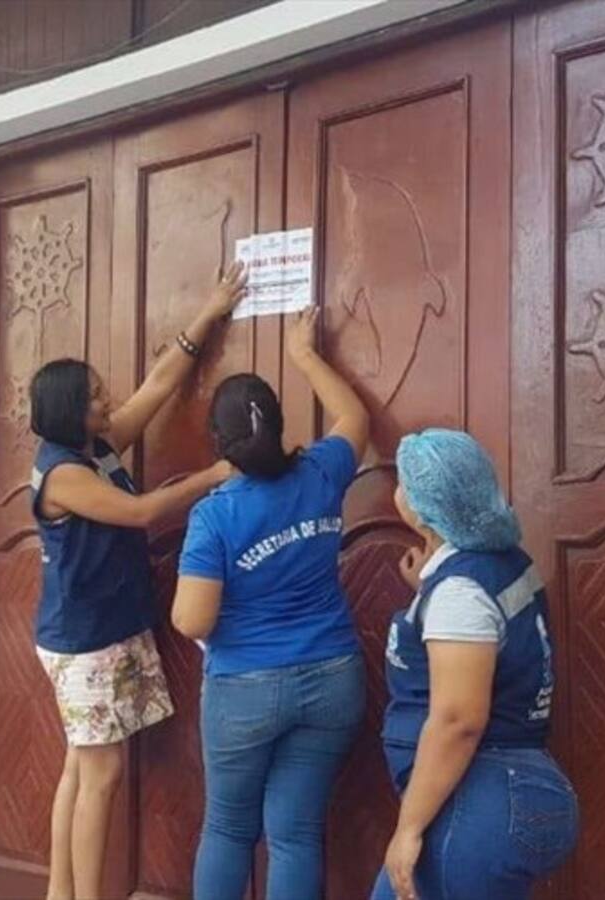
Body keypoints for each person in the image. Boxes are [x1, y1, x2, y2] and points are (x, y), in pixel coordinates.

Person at [30, 262, 248, 900]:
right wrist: (215, 475)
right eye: (96, 395)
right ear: (72, 411)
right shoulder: (63, 473)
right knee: (100, 774)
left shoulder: (95, 446)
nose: (108, 400)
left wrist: (210, 313)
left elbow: (158, 386)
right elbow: (143, 512)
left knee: (82, 765)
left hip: (104, 628)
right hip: (83, 640)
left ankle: (61, 893)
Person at [171, 306, 370, 900]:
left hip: (245, 688)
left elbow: (193, 618)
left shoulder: (215, 516)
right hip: (333, 676)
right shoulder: (322, 472)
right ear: (279, 425)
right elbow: (355, 416)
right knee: (296, 833)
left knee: (229, 828)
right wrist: (305, 354)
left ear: (218, 442)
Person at [374, 429, 579, 900]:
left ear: (425, 509)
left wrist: (408, 830)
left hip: (483, 800)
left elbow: (458, 720)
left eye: (404, 483)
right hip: (511, 790)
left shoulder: (460, 593)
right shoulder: (498, 563)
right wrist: (428, 591)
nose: (398, 491)